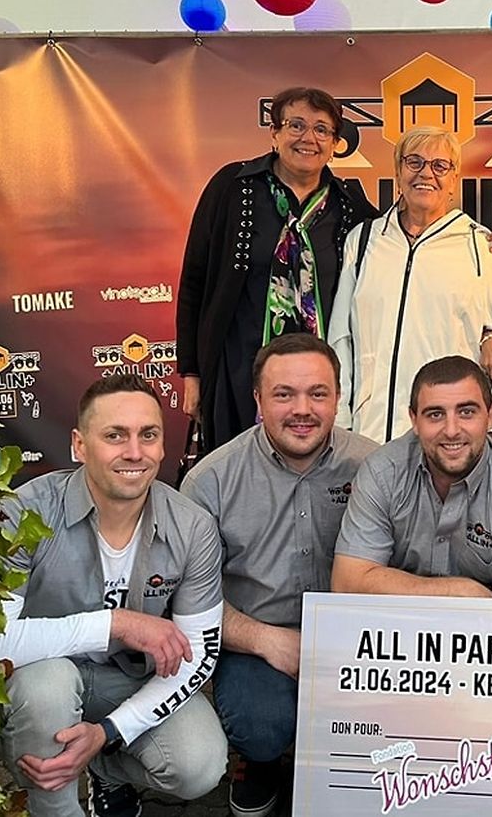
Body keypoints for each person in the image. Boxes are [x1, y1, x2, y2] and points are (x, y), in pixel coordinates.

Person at [0, 375, 226, 817]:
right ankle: (55, 806)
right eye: (115, 435)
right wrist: (114, 624)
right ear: (79, 445)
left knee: (200, 764)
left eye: (148, 435)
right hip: (43, 680)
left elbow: (199, 653)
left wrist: (108, 733)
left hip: (128, 681)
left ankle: (106, 768)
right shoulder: (25, 511)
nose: (134, 452)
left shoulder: (192, 526)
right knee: (47, 688)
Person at [180, 334, 378, 817]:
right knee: (261, 724)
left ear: (338, 396)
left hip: (360, 643)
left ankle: (347, 765)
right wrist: (266, 640)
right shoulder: (210, 481)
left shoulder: (376, 467)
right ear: (257, 399)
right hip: (255, 643)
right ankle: (258, 761)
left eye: (317, 393)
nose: (301, 410)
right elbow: (189, 600)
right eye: (283, 394)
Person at [177, 86, 378, 453]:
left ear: (335, 143)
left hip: (315, 385)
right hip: (238, 371)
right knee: (238, 470)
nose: (308, 138)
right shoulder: (232, 187)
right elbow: (195, 278)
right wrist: (192, 373)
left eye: (322, 129)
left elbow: (402, 244)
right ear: (274, 133)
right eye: (296, 125)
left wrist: (481, 245)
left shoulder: (350, 206)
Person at [326, 126, 492, 444]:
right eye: (414, 162)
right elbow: (341, 337)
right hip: (371, 432)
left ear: (454, 178)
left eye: (440, 165)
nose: (426, 173)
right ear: (398, 171)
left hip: (447, 438)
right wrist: (341, 421)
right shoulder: (363, 241)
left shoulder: (478, 246)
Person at [332, 356, 492, 598]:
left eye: (466, 412)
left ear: (491, 416)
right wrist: (458, 592)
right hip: (394, 621)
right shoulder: (382, 473)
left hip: (480, 624)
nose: (451, 430)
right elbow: (347, 583)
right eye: (435, 415)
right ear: (414, 420)